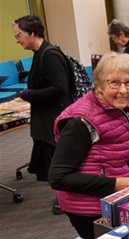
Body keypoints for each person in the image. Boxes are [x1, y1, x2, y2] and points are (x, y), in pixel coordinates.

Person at [48, 52, 129, 239]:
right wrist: (115, 184)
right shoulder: (81, 121)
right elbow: (58, 177)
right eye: (114, 83)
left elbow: (115, 153)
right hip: (89, 208)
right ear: (99, 85)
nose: (123, 90)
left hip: (113, 199)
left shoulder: (122, 109)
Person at [12, 15, 74, 214]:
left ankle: (66, 198)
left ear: (32, 33)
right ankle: (63, 196)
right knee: (52, 160)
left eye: (19, 35)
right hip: (47, 117)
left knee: (58, 160)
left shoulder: (50, 55)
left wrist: (30, 94)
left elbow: (60, 88)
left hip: (54, 118)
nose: (17, 40)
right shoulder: (40, 53)